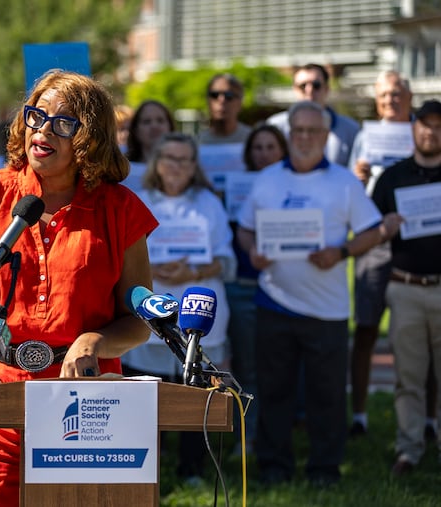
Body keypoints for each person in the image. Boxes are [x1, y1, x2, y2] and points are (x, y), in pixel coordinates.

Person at [0, 69, 157, 505]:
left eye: (63, 122)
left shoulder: (120, 208)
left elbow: (139, 320)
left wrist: (93, 341)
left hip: (87, 404)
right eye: (36, 115)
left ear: (89, 139)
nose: (43, 129)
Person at [236, 101, 389, 485]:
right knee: (275, 390)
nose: (304, 138)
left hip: (328, 308)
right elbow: (245, 228)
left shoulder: (344, 181)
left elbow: (373, 231)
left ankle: (325, 467)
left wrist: (340, 252)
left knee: (327, 394)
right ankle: (273, 465)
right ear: (289, 134)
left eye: (312, 131)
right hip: (274, 301)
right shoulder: (268, 179)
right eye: (298, 131)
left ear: (325, 136)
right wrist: (253, 250)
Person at [120, 132, 235, 483]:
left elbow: (226, 259)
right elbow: (122, 258)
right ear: (156, 162)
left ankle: (193, 471)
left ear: (194, 166)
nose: (177, 166)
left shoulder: (209, 203)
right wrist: (150, 271)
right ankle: (143, 471)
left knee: (195, 396)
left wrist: (194, 271)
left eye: (185, 160)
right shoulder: (138, 200)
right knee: (145, 399)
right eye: (170, 158)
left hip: (196, 312)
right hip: (149, 317)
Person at [346, 71, 438, 438]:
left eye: (397, 93)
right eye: (384, 95)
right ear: (376, 100)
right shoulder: (365, 137)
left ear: (409, 97)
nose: (391, 100)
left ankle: (429, 419)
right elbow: (354, 197)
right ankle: (360, 415)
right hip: (376, 242)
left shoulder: (427, 135)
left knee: (428, 338)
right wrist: (357, 176)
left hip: (420, 246)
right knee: (367, 327)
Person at [371, 99, 441, 476]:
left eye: (439, 125)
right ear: (413, 127)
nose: (432, 131)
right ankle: (409, 449)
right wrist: (385, 228)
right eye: (425, 124)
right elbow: (369, 228)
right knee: (408, 376)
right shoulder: (393, 177)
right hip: (406, 287)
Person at [225, 124, 288, 455]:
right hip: (242, 286)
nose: (264, 154)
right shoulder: (237, 188)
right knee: (246, 367)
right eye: (258, 148)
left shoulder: (291, 186)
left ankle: (274, 435)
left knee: (278, 367)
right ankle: (246, 439)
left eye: (271, 147)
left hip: (283, 287)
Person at [267, 63, 359, 166]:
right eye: (302, 86)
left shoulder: (350, 129)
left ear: (327, 89)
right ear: (294, 89)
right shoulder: (275, 126)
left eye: (316, 85)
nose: (309, 91)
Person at [198, 73, 252, 145]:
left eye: (228, 95)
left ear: (240, 102)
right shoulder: (197, 144)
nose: (221, 100)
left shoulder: (253, 141)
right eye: (214, 95)